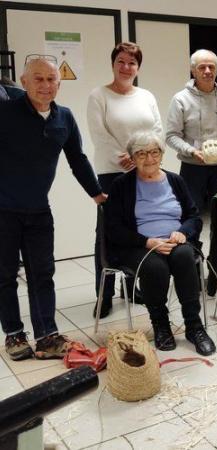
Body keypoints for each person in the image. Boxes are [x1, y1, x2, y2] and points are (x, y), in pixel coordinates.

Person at [0, 56, 106, 361]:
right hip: (3, 210)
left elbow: (78, 159)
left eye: (51, 79)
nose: (45, 86)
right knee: (5, 275)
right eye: (38, 79)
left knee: (42, 274)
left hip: (38, 210)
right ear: (23, 82)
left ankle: (46, 336)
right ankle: (14, 334)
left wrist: (97, 193)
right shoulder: (6, 111)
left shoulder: (65, 118)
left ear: (59, 83)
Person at [105, 131, 215, 356]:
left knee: (184, 257)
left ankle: (194, 326)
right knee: (155, 267)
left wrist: (183, 232)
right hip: (138, 246)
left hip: (175, 241)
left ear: (162, 154)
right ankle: (161, 325)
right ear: (132, 158)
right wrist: (147, 242)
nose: (149, 159)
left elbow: (194, 216)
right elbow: (113, 228)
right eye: (141, 154)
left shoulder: (175, 180)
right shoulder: (121, 185)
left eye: (154, 152)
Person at [87, 42, 162, 319]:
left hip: (143, 171)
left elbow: (156, 129)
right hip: (112, 171)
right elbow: (99, 133)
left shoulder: (146, 96)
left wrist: (142, 158)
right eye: (121, 61)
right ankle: (103, 295)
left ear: (138, 67)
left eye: (132, 62)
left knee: (138, 228)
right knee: (106, 233)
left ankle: (132, 288)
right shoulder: (99, 96)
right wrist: (125, 156)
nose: (126, 67)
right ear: (113, 64)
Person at [166, 49, 217, 297]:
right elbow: (171, 136)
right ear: (193, 70)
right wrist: (191, 151)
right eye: (202, 67)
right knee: (192, 220)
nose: (207, 71)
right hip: (192, 168)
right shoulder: (180, 99)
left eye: (211, 67)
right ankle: (192, 270)